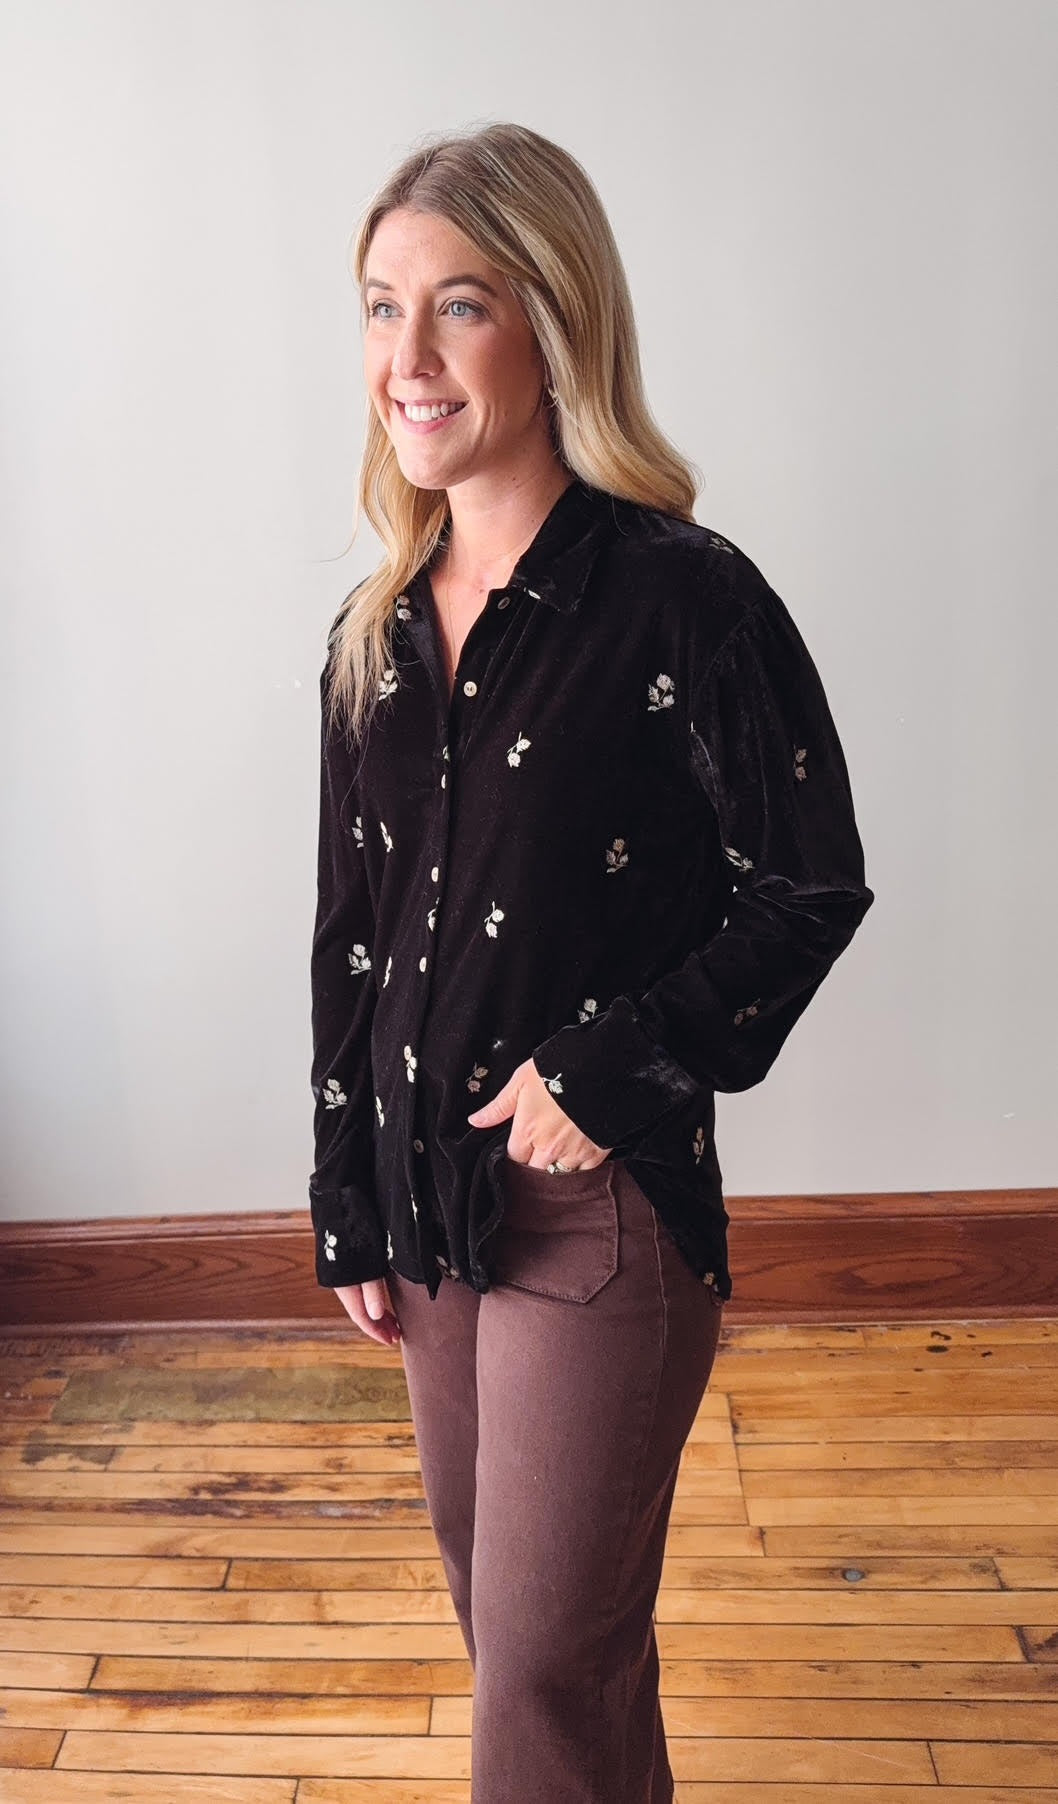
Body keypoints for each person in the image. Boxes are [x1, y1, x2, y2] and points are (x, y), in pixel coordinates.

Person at [308, 122, 874, 1804]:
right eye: (378, 307)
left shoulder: (686, 601)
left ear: (551, 323)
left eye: (458, 306)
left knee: (543, 1669)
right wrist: (348, 1190)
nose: (406, 361)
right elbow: (349, 936)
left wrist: (603, 1072)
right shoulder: (377, 628)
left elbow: (808, 887)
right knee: (530, 1650)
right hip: (426, 1215)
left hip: (595, 1210)